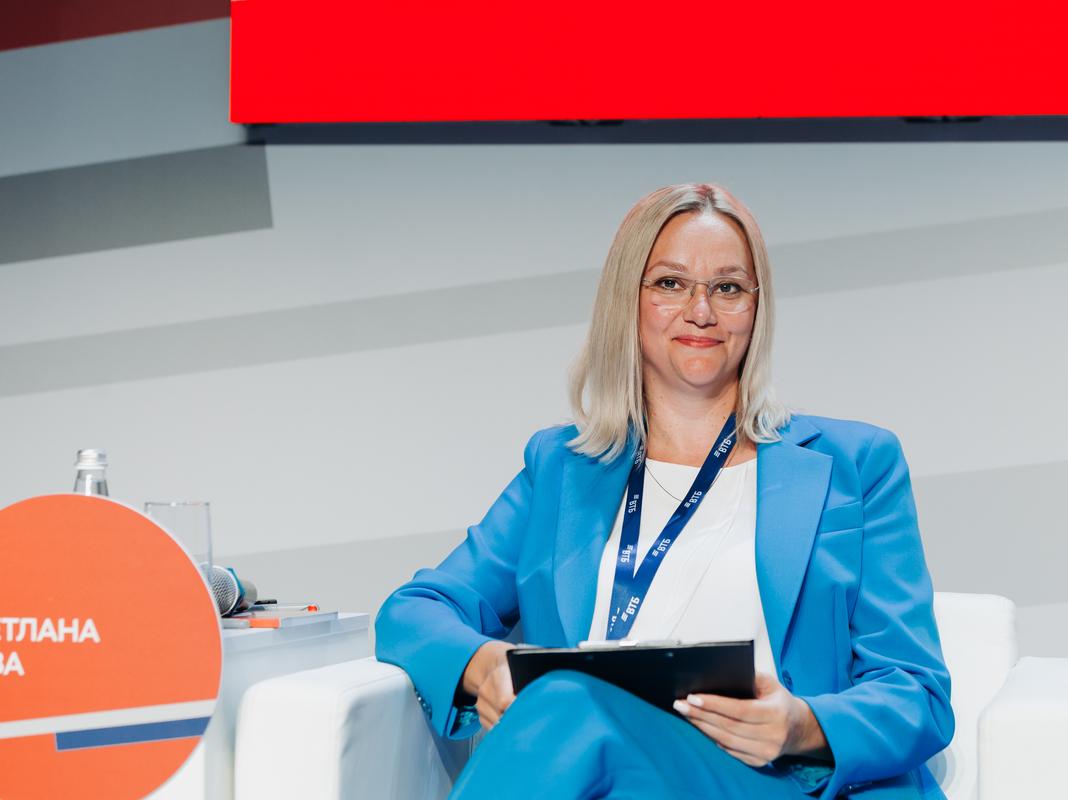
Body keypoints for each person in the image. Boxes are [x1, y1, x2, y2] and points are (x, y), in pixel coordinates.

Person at [376, 183, 954, 799]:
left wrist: (801, 725)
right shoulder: (562, 468)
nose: (701, 311)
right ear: (627, 301)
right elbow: (414, 611)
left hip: (777, 783)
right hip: (607, 773)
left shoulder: (854, 464)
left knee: (568, 702)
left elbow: (917, 692)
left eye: (728, 288)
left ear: (756, 309)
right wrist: (486, 665)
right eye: (671, 284)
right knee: (573, 709)